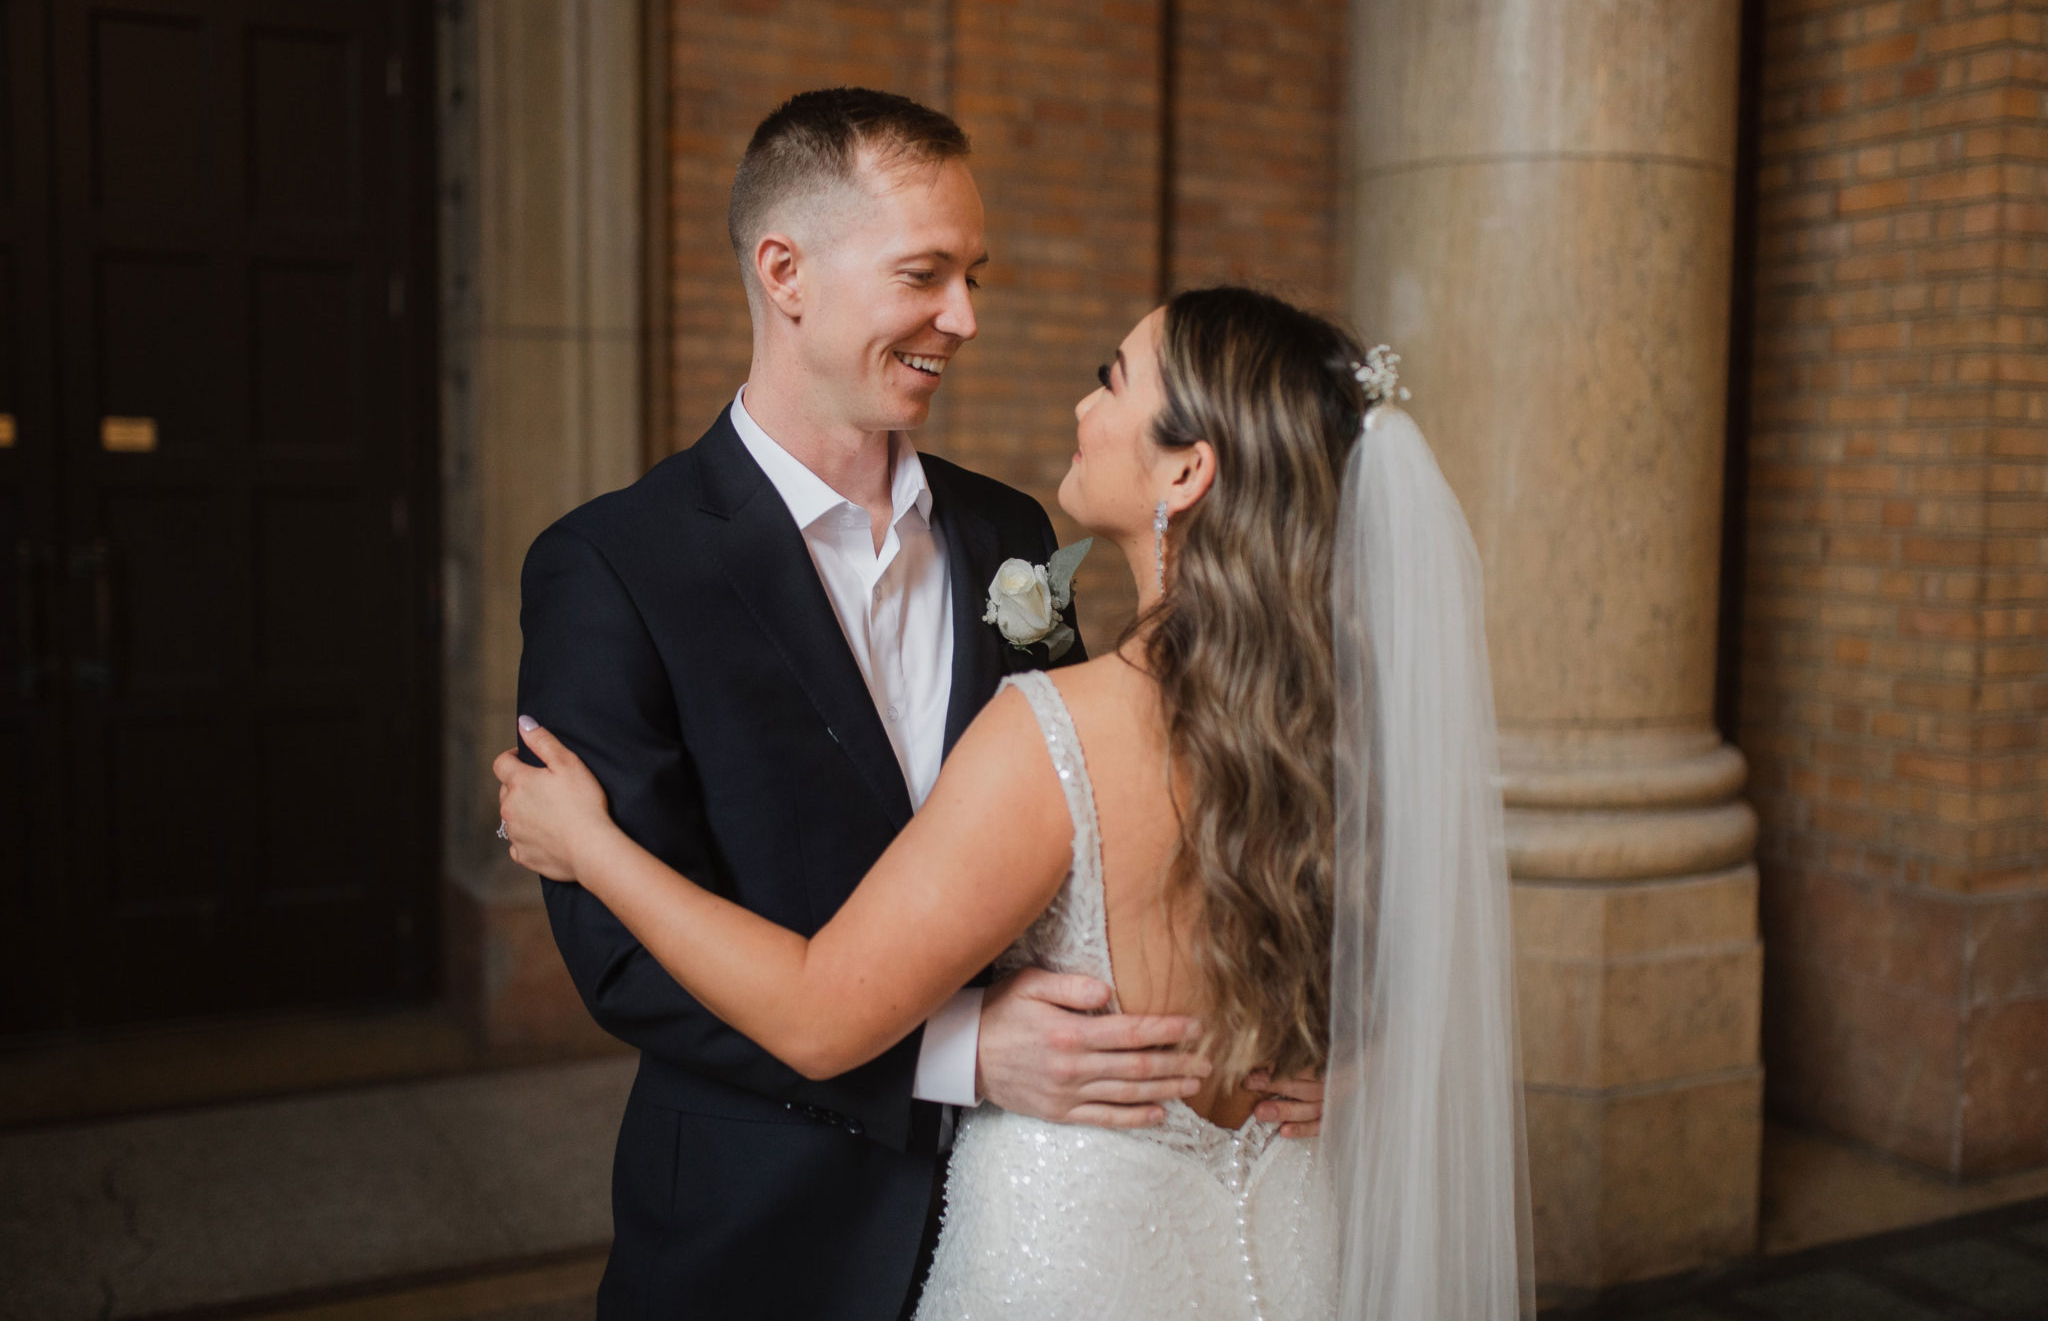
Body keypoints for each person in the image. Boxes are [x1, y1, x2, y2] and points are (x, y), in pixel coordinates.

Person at [498, 287, 1535, 1319]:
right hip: (1281, 1247)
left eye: (1110, 382)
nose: (1081, 410)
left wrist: (593, 847)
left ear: (1187, 467)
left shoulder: (1051, 728)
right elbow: (1409, 969)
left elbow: (818, 1018)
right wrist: (1362, 1063)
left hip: (1072, 1261)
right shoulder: (1343, 728)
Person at [509, 89, 1323, 1321]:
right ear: (784, 272)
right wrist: (957, 1052)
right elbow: (619, 961)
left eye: (971, 275)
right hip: (762, 1227)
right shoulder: (614, 565)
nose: (965, 318)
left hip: (1051, 1220)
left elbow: (1122, 828)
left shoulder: (1013, 535)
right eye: (924, 275)